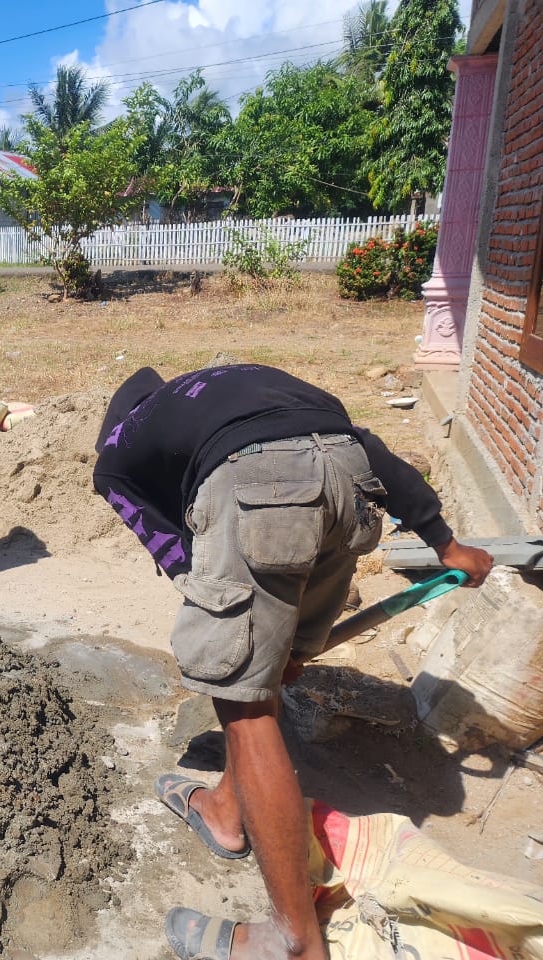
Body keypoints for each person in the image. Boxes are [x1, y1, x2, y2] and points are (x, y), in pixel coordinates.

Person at [92, 363, 493, 960]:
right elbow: (371, 451)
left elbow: (171, 545)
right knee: (267, 671)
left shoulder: (117, 455)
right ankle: (226, 810)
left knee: (243, 704)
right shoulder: (245, 387)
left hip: (260, 490)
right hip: (348, 488)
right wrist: (447, 543)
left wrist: (221, 608)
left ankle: (293, 941)